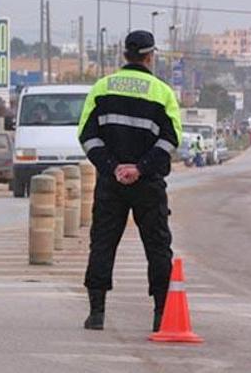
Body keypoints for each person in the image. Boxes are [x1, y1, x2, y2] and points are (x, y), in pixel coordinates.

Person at [77, 30, 182, 332]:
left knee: (103, 243)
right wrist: (141, 168)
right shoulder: (162, 93)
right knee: (158, 247)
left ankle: (96, 313)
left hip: (111, 183)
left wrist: (112, 168)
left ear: (125, 55)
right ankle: (161, 314)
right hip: (148, 184)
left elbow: (87, 135)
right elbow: (170, 140)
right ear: (150, 56)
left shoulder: (101, 87)